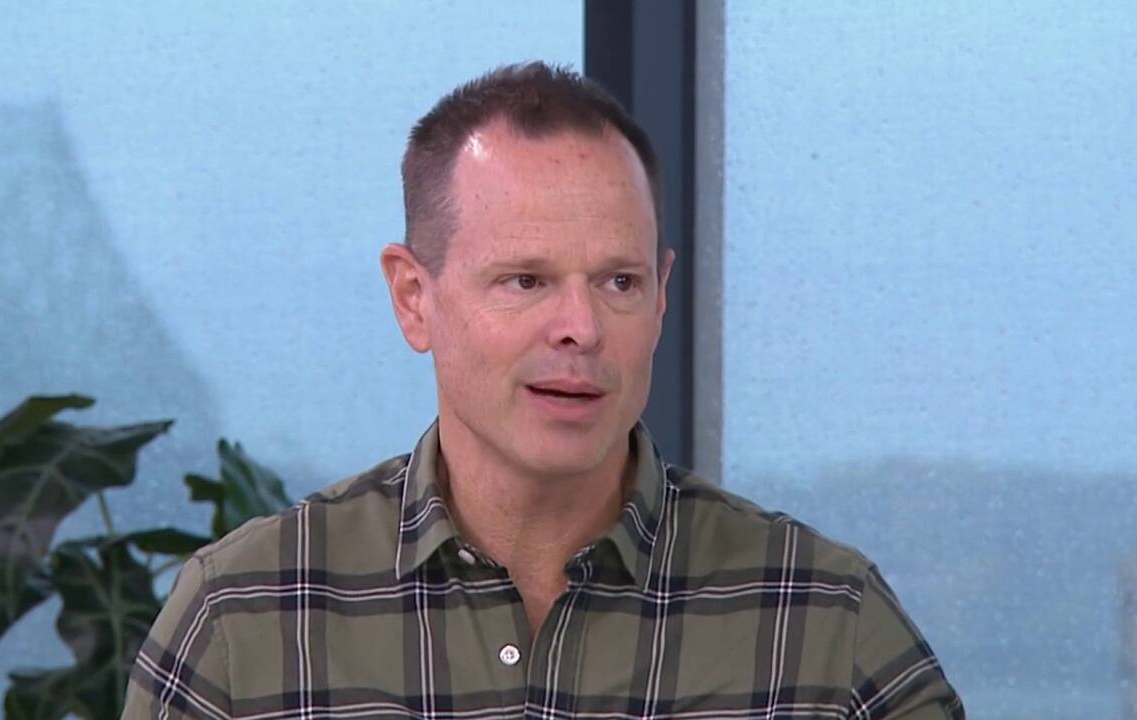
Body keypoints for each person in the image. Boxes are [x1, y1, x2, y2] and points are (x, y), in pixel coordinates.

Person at [123, 62, 963, 719]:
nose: (582, 327)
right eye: (525, 280)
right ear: (414, 299)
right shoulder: (244, 620)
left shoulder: (824, 625)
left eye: (620, 282)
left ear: (662, 296)